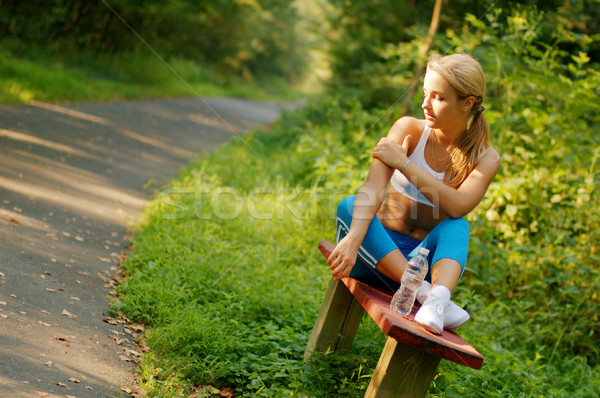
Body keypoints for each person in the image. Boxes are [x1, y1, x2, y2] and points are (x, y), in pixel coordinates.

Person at [327, 53, 500, 334]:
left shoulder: (484, 157)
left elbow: (458, 207)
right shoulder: (408, 128)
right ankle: (431, 296)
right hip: (372, 255)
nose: (425, 104)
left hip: (420, 262)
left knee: (457, 226)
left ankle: (436, 296)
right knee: (350, 205)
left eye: (439, 98)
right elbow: (372, 188)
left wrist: (404, 164)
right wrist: (353, 238)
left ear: (467, 103)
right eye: (424, 93)